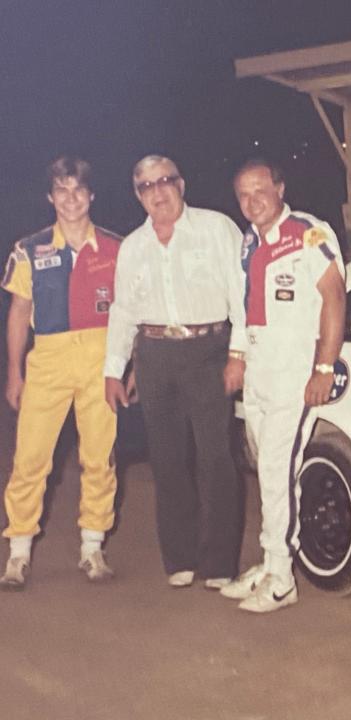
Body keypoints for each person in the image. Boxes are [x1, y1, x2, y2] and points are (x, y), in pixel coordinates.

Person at [104, 155, 246, 589]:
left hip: (208, 351)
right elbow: (123, 310)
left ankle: (219, 563)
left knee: (216, 457)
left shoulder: (216, 227)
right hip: (154, 356)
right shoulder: (133, 246)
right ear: (138, 194)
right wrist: (114, 368)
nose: (157, 191)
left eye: (165, 180)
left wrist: (238, 353)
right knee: (167, 460)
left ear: (181, 183)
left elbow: (242, 294)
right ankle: (180, 558)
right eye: (146, 185)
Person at [220, 158, 345, 613]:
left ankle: (282, 579)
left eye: (260, 191)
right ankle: (270, 561)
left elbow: (334, 298)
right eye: (243, 195)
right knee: (267, 471)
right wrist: (237, 357)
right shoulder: (248, 244)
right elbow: (246, 308)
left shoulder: (309, 233)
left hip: (294, 373)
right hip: (259, 373)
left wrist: (324, 368)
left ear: (279, 187)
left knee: (276, 469)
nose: (253, 202)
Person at [0, 156, 121, 589]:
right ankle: (18, 551)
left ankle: (92, 547)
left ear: (91, 196)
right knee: (30, 457)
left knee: (98, 455)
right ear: (51, 197)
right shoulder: (29, 249)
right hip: (48, 359)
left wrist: (128, 365)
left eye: (78, 190)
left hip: (99, 358)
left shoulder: (115, 247)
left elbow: (129, 315)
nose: (70, 199)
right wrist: (14, 372)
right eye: (62, 191)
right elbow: (18, 312)